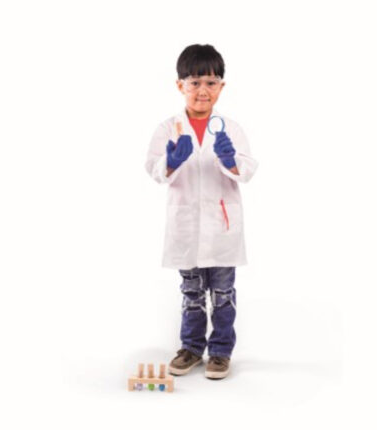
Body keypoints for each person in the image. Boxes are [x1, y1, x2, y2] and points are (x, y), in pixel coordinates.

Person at [145, 44, 258, 379]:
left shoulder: (231, 128)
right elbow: (154, 170)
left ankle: (220, 351)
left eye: (210, 82)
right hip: (186, 227)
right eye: (194, 83)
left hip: (222, 227)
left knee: (222, 293)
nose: (203, 90)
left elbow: (247, 171)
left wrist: (230, 160)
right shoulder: (168, 128)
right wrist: (171, 161)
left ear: (221, 86)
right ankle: (192, 348)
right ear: (180, 85)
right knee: (192, 292)